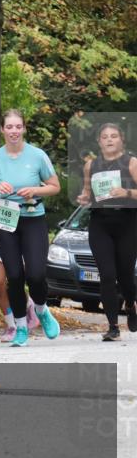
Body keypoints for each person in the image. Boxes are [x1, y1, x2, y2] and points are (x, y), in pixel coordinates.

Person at [0, 109, 61, 347]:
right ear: (2, 130)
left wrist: (35, 190)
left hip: (33, 218)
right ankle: (21, 327)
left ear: (24, 129)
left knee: (36, 274)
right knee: (13, 276)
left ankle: (42, 310)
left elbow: (54, 187)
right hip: (5, 221)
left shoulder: (38, 156)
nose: (14, 131)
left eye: (18, 127)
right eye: (9, 127)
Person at [76, 122, 137, 341]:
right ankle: (113, 327)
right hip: (100, 223)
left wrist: (126, 191)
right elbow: (86, 193)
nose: (109, 140)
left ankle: (131, 304)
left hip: (127, 223)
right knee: (108, 275)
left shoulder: (131, 163)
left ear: (122, 140)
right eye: (105, 137)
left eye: (113, 136)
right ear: (99, 141)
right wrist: (83, 198)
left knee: (126, 276)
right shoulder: (91, 165)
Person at [0, 204, 39, 342]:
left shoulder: (20, 186)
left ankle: (29, 305)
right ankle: (11, 326)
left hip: (19, 237)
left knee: (15, 280)